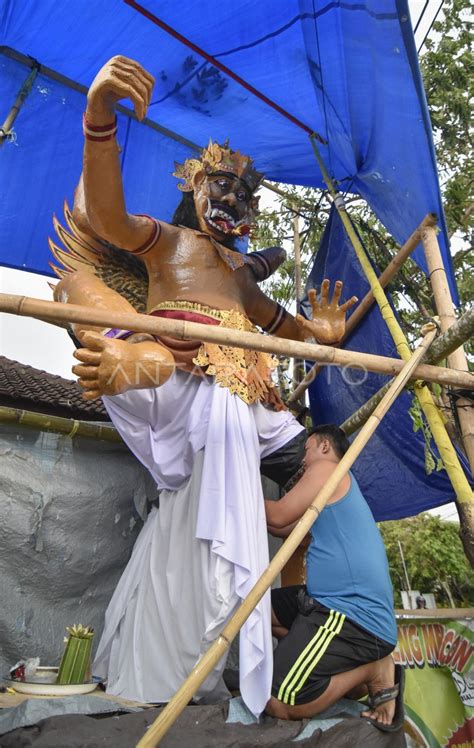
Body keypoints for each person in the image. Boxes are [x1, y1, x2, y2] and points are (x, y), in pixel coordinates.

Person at [52, 56, 357, 715]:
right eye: (222, 186)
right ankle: (134, 355)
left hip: (243, 386)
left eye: (248, 196)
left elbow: (288, 329)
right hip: (170, 360)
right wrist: (99, 117)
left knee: (324, 467)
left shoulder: (243, 278)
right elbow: (106, 218)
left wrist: (325, 338)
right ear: (195, 187)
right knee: (72, 286)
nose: (235, 202)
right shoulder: (167, 243)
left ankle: (289, 597)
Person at [265, 425, 404, 732]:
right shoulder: (330, 487)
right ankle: (330, 665)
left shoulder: (327, 469)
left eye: (307, 449)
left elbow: (275, 515)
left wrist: (235, 489)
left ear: (325, 447)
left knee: (279, 700)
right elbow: (281, 526)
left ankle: (373, 669)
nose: (303, 458)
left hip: (348, 613)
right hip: (322, 601)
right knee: (257, 614)